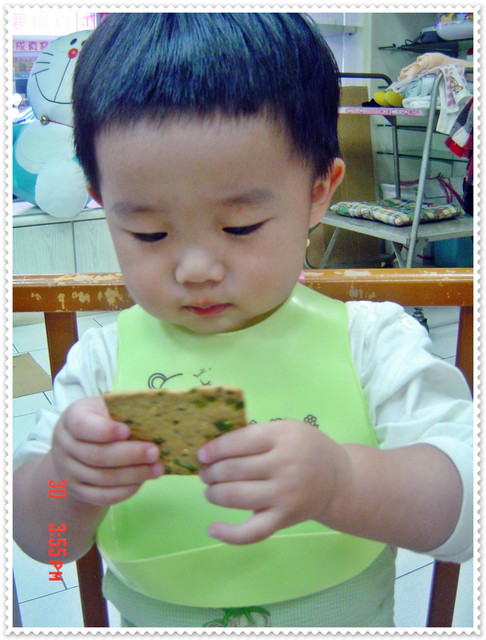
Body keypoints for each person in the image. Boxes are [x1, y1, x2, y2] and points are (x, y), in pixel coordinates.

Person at [13, 13, 473, 627]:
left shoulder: (371, 344)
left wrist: (343, 483)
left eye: (240, 227)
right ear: (102, 203)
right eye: (148, 232)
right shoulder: (102, 367)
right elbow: (47, 547)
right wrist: (65, 480)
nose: (197, 269)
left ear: (318, 190)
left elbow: (467, 513)